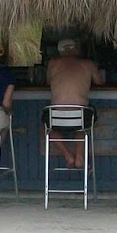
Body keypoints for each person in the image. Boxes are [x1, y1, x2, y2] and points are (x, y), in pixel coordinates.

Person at [44, 37, 103, 168]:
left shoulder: (53, 63)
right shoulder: (88, 64)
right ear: (74, 49)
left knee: (50, 129)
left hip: (56, 115)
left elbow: (48, 82)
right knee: (83, 127)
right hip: (80, 114)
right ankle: (79, 157)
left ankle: (68, 155)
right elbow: (99, 82)